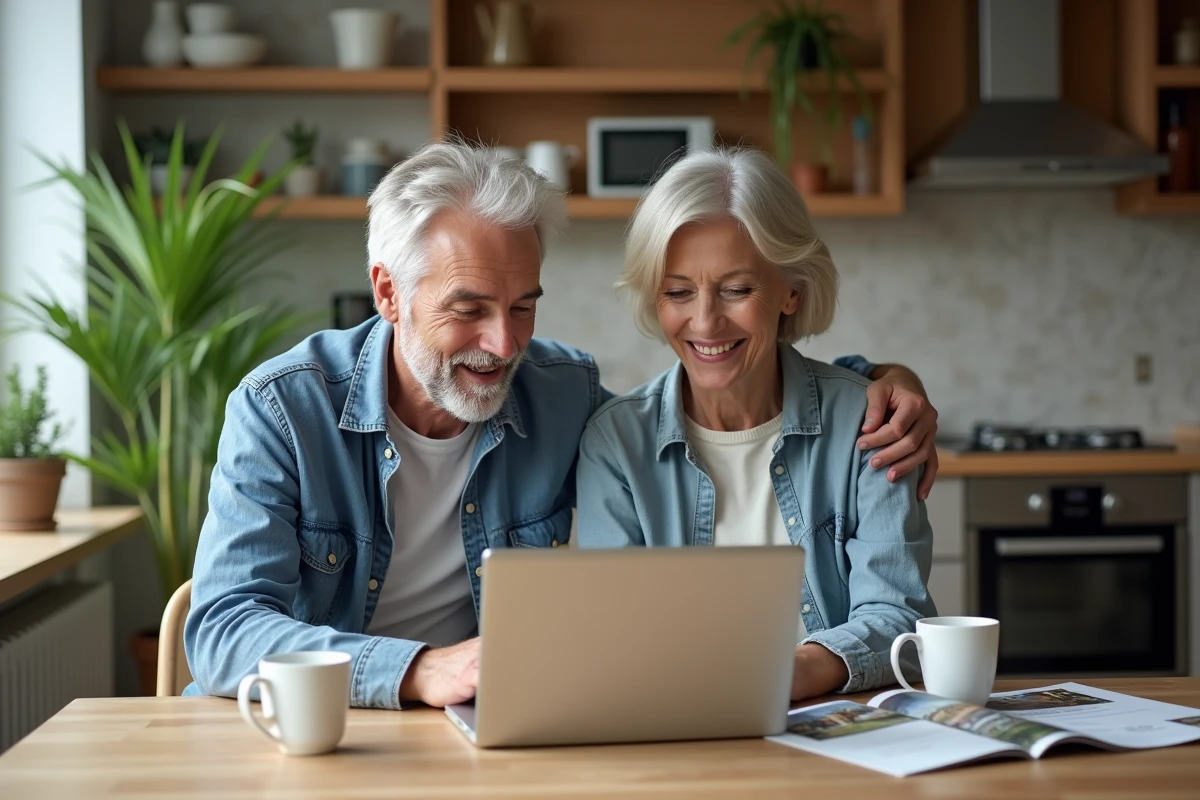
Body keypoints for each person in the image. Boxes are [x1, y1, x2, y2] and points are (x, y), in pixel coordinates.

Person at [185, 140, 938, 710]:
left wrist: (883, 379)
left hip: (487, 726)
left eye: (523, 307)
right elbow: (220, 630)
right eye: (469, 309)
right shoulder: (282, 410)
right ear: (388, 292)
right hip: (318, 728)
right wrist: (417, 668)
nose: (502, 345)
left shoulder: (562, 395)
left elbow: (728, 397)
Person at [575, 146, 937, 701]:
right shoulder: (615, 445)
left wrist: (784, 674)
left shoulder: (869, 426)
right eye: (678, 292)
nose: (704, 322)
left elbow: (897, 618)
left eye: (737, 290)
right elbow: (614, 634)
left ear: (791, 290)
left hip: (835, 726)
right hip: (678, 721)